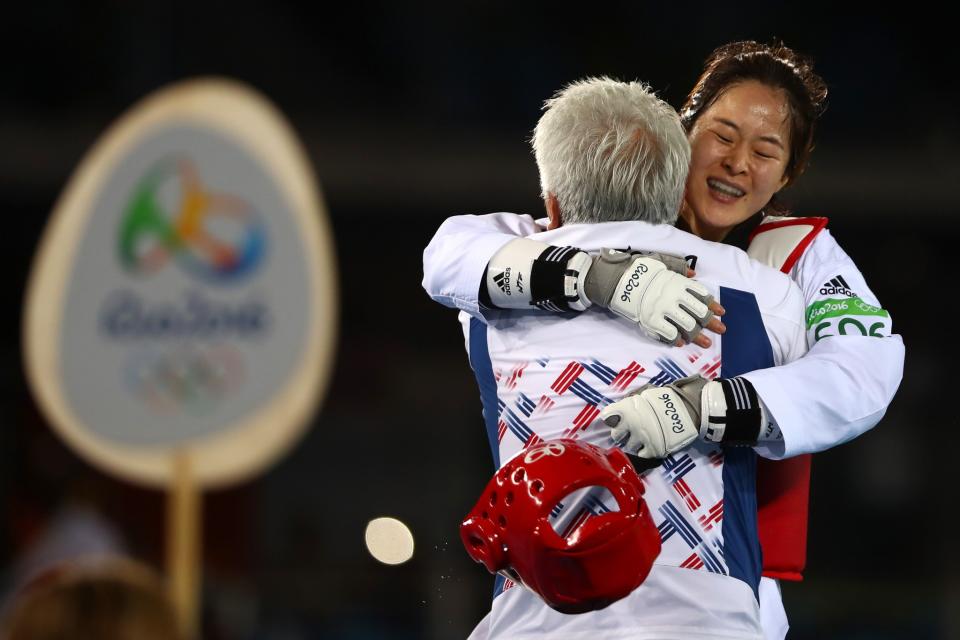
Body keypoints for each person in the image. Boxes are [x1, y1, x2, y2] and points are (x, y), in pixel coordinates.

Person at [422, 40, 905, 639]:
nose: (737, 163)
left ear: (787, 173)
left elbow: (865, 368)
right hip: (581, 560)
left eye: (765, 151)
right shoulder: (591, 211)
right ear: (684, 132)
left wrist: (708, 406)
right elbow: (451, 256)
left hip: (731, 562)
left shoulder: (800, 261)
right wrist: (598, 279)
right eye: (723, 137)